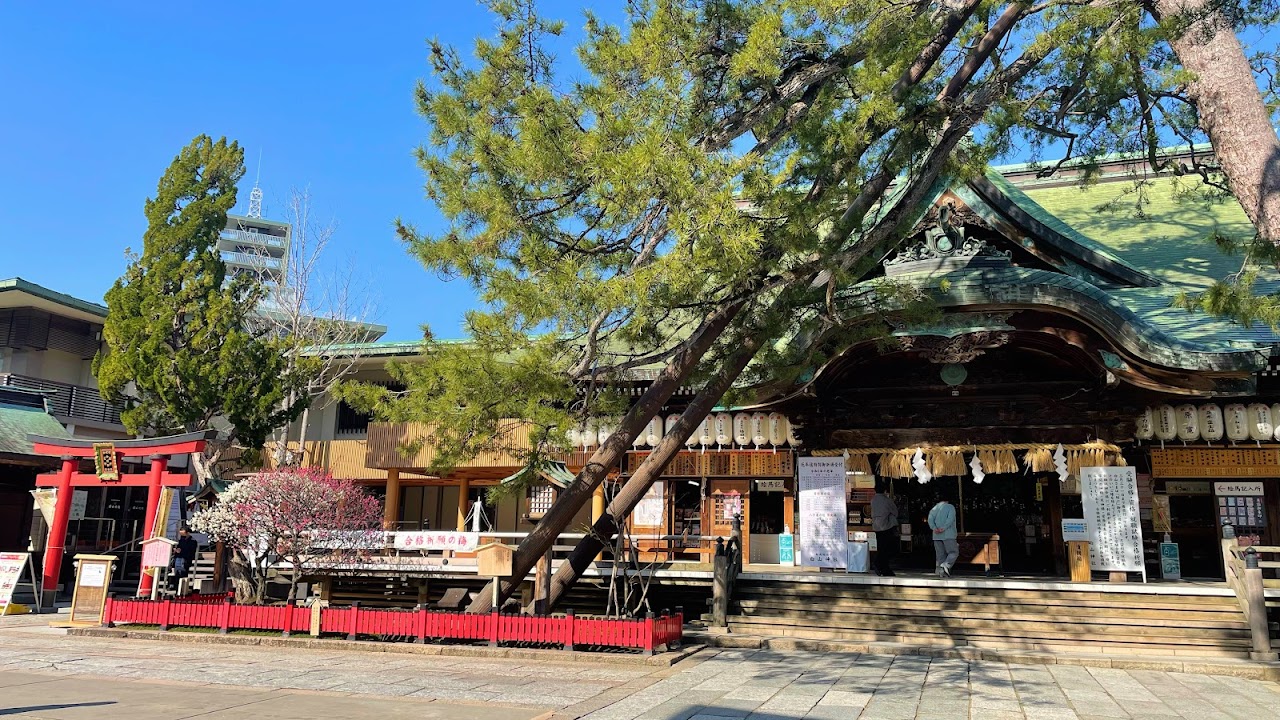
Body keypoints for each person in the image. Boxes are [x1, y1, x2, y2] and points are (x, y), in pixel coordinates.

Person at [870, 480, 898, 576]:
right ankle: (880, 564)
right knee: (887, 548)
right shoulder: (887, 500)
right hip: (886, 526)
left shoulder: (873, 500)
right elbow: (895, 512)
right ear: (885, 490)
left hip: (876, 526)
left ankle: (882, 567)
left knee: (881, 547)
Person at [928, 495, 959, 577]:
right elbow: (950, 518)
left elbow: (930, 519)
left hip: (936, 535)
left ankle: (942, 573)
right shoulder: (950, 507)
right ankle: (947, 565)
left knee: (940, 555)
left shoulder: (934, 508)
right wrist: (943, 528)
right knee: (953, 552)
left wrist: (934, 528)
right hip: (948, 534)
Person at [173, 525, 198, 590]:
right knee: (177, 574)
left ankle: (181, 589)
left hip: (185, 560)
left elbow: (191, 552)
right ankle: (176, 588)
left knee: (183, 575)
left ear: (187, 533)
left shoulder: (192, 541)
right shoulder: (181, 540)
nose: (182, 536)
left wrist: (181, 551)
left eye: (183, 534)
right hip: (178, 558)